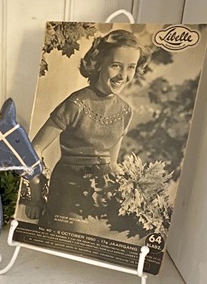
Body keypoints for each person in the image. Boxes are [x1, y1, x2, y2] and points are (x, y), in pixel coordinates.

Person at [25, 29, 151, 229]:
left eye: (131, 67)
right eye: (116, 66)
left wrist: (135, 191)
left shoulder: (125, 111)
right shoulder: (76, 104)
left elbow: (112, 163)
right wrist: (35, 198)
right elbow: (33, 151)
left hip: (103, 193)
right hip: (68, 189)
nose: (123, 75)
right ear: (98, 63)